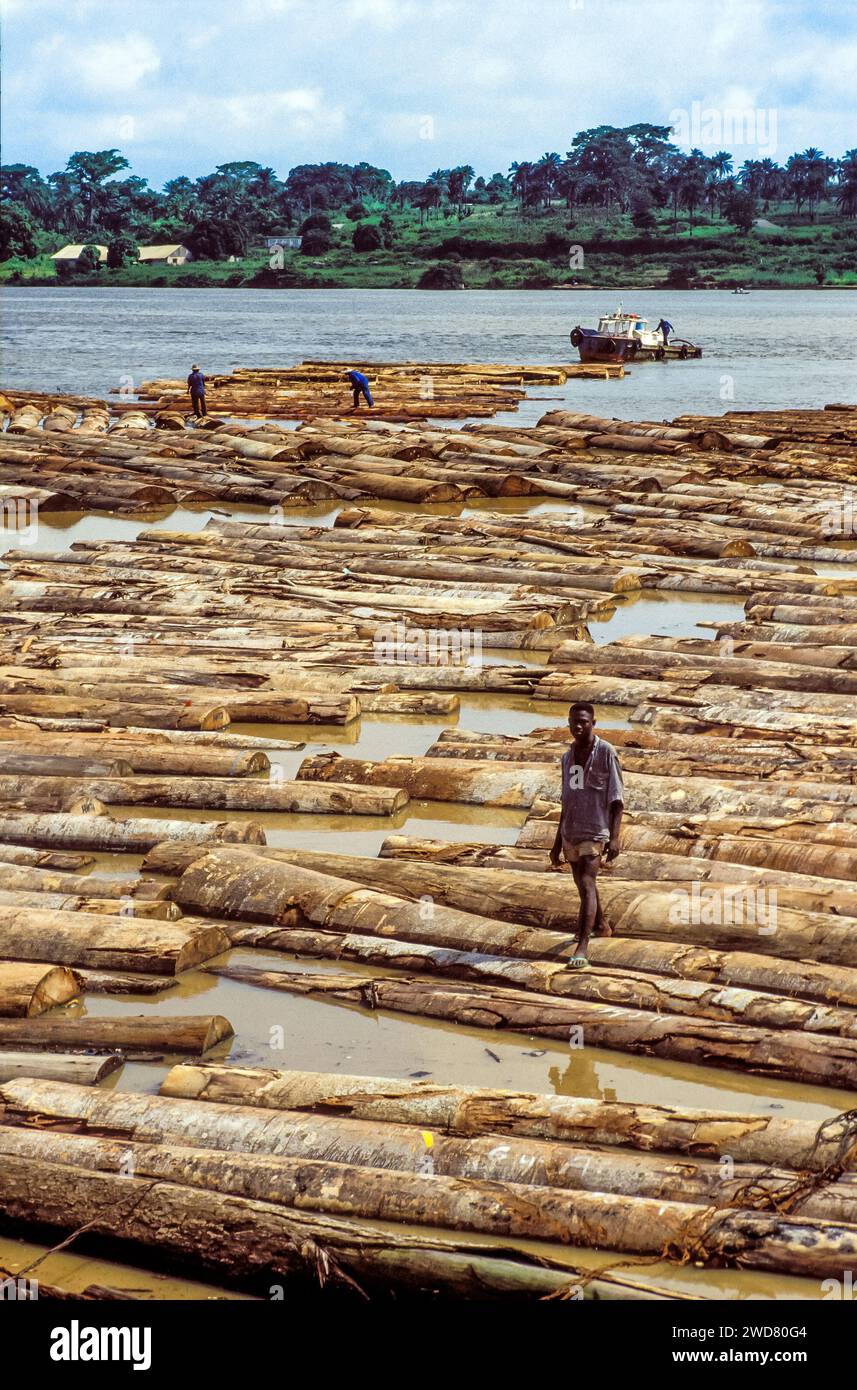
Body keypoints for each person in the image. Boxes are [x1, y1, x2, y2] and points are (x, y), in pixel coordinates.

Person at [549, 701, 624, 969]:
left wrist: (614, 837)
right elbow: (567, 800)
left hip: (595, 830)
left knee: (588, 882)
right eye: (574, 723)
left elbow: (617, 800)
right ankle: (602, 925)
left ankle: (582, 944)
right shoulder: (567, 757)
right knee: (583, 886)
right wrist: (556, 843)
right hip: (571, 830)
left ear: (594, 723)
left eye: (584, 722)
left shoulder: (606, 753)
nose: (578, 727)